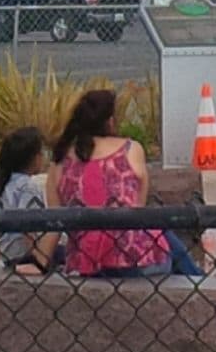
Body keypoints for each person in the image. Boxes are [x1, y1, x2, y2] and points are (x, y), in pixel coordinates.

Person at [44, 89, 201, 278]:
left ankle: (197, 277)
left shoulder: (59, 160)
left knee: (162, 235)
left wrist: (39, 261)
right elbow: (138, 207)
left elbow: (54, 220)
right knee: (162, 235)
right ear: (110, 120)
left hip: (85, 262)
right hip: (134, 258)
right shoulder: (130, 149)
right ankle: (199, 281)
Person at [0, 127, 62, 274]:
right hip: (25, 253)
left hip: (8, 253)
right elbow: (28, 225)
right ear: (34, 157)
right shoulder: (29, 187)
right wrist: (38, 259)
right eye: (42, 153)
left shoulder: (7, 183)